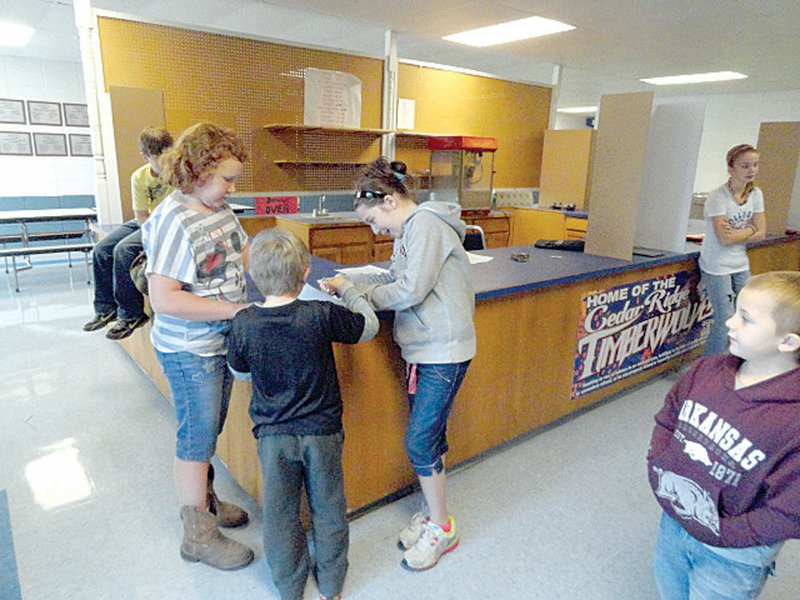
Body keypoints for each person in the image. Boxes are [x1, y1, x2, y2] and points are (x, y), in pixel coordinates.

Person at [320, 157, 476, 572]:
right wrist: (349, 284)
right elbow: (392, 277)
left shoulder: (425, 225)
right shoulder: (409, 232)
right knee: (429, 437)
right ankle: (433, 513)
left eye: (373, 220)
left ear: (389, 200)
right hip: (425, 350)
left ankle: (442, 527)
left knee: (419, 442)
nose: (374, 231)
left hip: (443, 351)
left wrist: (359, 295)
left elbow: (408, 290)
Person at [227, 229, 378, 600]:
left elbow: (240, 371)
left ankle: (289, 586)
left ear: (253, 275)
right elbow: (368, 327)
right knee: (328, 507)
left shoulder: (244, 322)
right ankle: (331, 584)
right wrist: (347, 289)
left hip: (273, 436)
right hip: (322, 432)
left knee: (279, 514)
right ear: (306, 271)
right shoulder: (320, 314)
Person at [141, 122, 253, 571]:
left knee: (211, 429)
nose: (231, 187)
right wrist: (232, 311)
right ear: (198, 170)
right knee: (196, 437)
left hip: (217, 343)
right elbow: (165, 297)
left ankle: (205, 502)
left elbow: (243, 256)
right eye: (226, 178)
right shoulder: (173, 219)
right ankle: (198, 537)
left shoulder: (219, 210)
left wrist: (280, 267)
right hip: (189, 350)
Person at [647, 271, 800, 599]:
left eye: (745, 319)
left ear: (787, 342)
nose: (729, 324)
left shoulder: (793, 421)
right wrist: (659, 466)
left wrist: (724, 532)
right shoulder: (706, 371)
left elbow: (789, 509)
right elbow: (669, 418)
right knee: (669, 587)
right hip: (675, 522)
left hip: (733, 556)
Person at [83, 127, 173, 340]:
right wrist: (151, 231)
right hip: (148, 221)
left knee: (123, 250)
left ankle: (131, 314)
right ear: (145, 157)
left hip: (169, 223)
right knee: (101, 249)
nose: (164, 161)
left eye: (168, 155)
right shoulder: (139, 177)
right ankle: (106, 309)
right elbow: (141, 215)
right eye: (157, 158)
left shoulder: (179, 172)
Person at [699, 143, 766, 355]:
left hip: (740, 264)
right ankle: (707, 370)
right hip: (717, 266)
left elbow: (761, 233)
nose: (751, 170)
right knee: (726, 319)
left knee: (747, 313)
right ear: (731, 168)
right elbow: (724, 239)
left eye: (755, 165)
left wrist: (741, 232)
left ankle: (736, 360)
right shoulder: (718, 197)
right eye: (745, 166)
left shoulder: (756, 194)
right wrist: (749, 229)